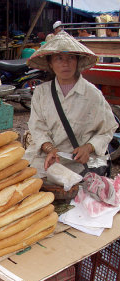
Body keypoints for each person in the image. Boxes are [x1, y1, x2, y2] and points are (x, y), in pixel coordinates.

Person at [26, 31, 118, 178]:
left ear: (77, 61)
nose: (65, 63)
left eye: (71, 58)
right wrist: (49, 149)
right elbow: (37, 128)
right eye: (59, 58)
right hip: (46, 158)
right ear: (50, 63)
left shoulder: (92, 94)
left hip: (80, 161)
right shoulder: (41, 92)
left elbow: (107, 130)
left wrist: (88, 148)